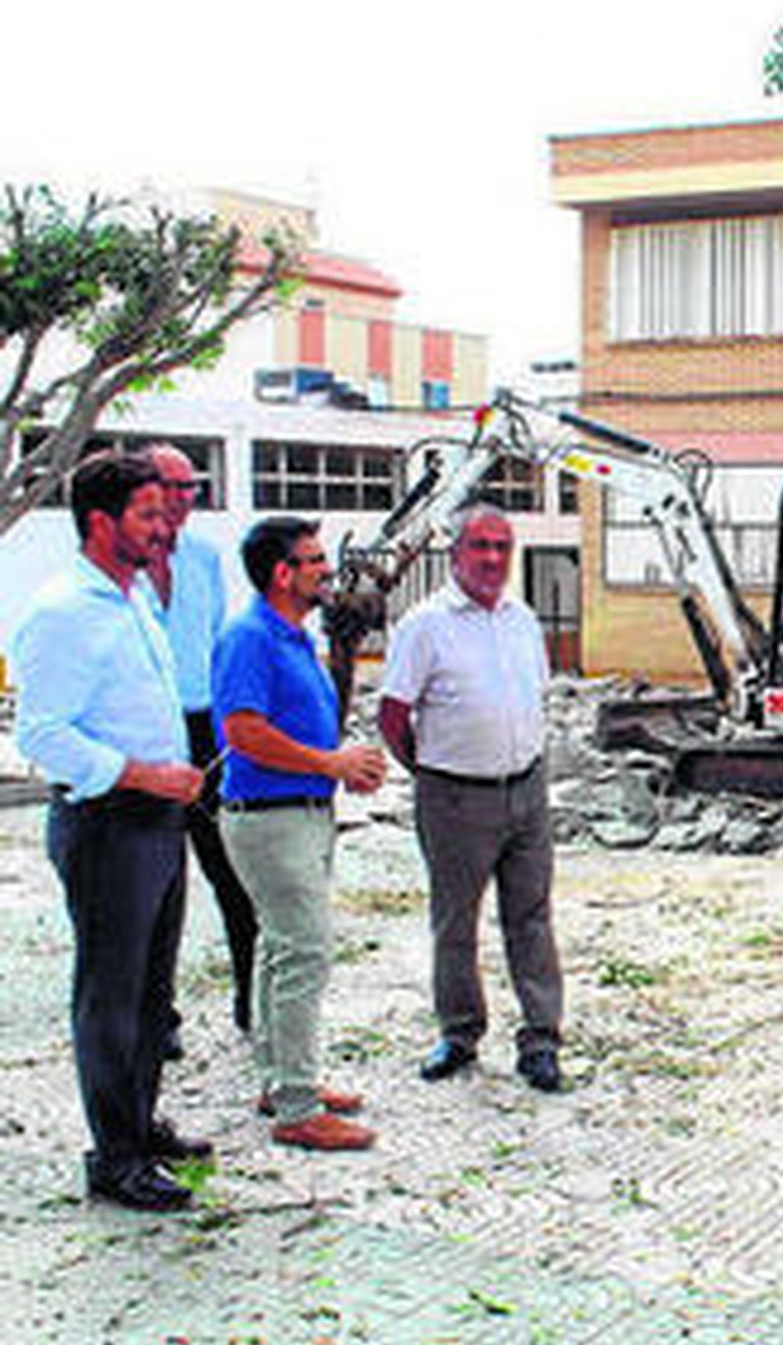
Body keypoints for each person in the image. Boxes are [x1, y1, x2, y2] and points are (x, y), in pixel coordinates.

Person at [14, 451, 213, 1212]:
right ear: (101, 522)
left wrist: (171, 777)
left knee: (153, 990)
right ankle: (115, 1157)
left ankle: (140, 1121)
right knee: (111, 993)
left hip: (159, 819)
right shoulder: (65, 611)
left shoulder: (133, 600)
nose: (164, 527)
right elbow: (43, 734)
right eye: (148, 515)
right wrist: (140, 773)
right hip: (108, 823)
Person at [212, 516, 387, 1151]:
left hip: (301, 811)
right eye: (314, 560)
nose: (327, 571)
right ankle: (297, 1107)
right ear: (282, 574)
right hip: (271, 817)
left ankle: (281, 1079)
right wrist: (330, 763)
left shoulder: (292, 637)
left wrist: (339, 768)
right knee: (305, 952)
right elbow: (243, 732)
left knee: (279, 951)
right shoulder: (250, 638)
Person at [378, 504, 564, 1092]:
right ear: (455, 554)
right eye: (480, 546)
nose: (492, 559)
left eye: (502, 547)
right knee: (456, 922)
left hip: (526, 790)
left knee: (531, 918)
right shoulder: (424, 625)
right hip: (455, 797)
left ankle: (541, 1039)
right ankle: (459, 1033)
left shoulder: (521, 619)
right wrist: (433, 770)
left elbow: (534, 696)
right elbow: (393, 715)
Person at [140, 443, 258, 1037]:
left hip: (203, 726)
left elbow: (215, 644)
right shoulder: (121, 566)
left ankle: (252, 1001)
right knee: (155, 884)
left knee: (233, 871)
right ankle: (155, 1015)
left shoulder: (205, 557)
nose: (184, 499)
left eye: (191, 487)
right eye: (172, 486)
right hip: (147, 735)